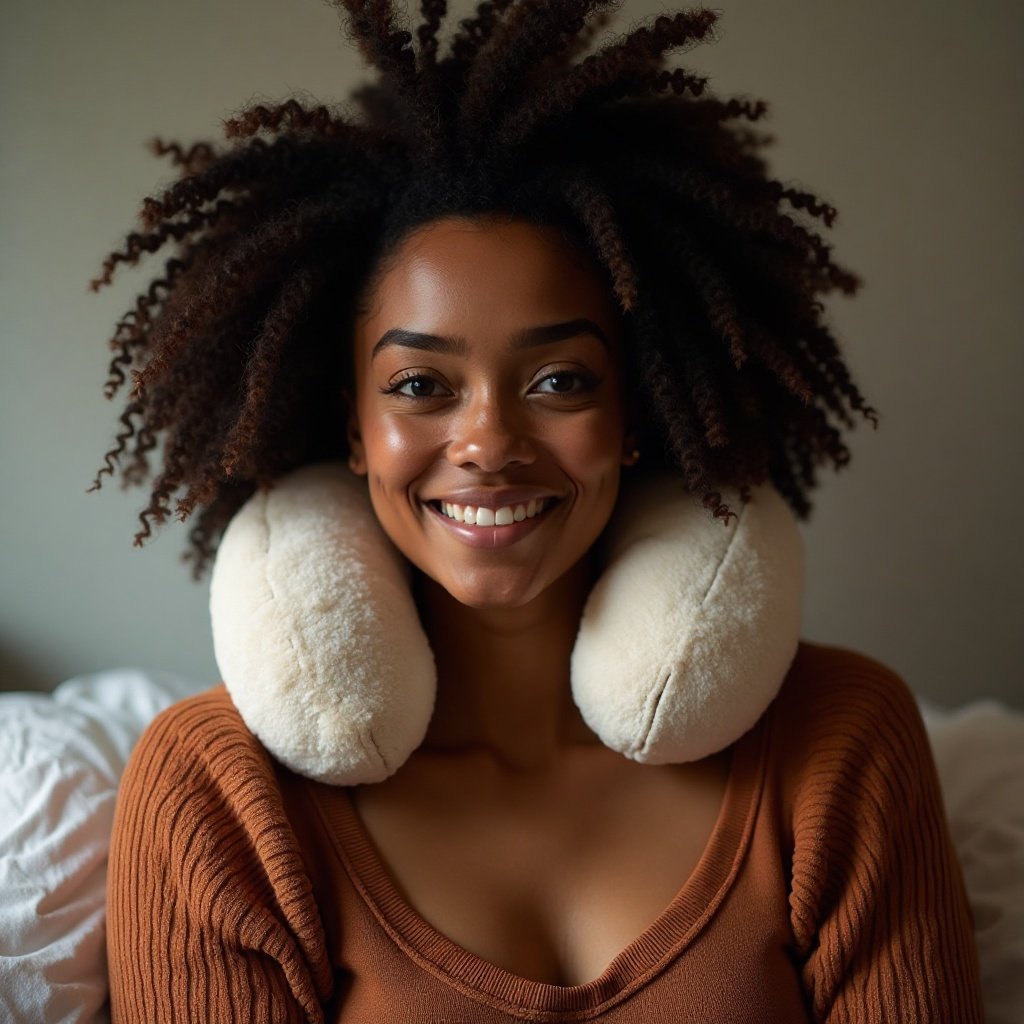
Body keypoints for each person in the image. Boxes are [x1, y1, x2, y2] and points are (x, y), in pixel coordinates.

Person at [96, 2, 983, 1020]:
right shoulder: (216, 794)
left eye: (560, 380)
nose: (488, 441)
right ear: (355, 430)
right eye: (420, 385)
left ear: (633, 415)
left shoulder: (838, 741)